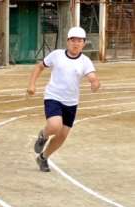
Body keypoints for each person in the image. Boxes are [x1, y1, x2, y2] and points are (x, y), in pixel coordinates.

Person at [26, 27, 100, 172]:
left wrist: (95, 83)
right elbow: (39, 67)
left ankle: (43, 158)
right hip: (53, 96)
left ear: (84, 43)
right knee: (55, 126)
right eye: (73, 40)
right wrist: (32, 84)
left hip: (71, 102)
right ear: (67, 41)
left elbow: (93, 77)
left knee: (62, 136)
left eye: (79, 41)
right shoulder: (57, 55)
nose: (76, 43)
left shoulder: (85, 61)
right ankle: (43, 135)